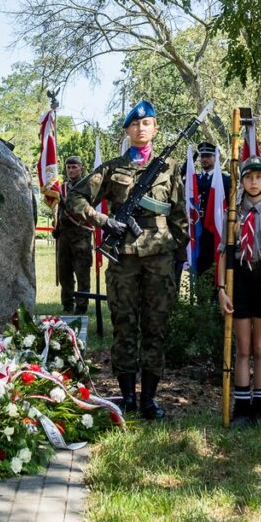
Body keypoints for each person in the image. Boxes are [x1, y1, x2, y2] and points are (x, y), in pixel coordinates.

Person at [67, 100, 187, 420]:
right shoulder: (111, 168)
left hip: (159, 259)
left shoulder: (169, 168)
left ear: (155, 128)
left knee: (155, 327)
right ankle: (127, 397)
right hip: (123, 259)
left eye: (146, 123)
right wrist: (103, 221)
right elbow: (74, 197)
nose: (141, 128)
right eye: (135, 124)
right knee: (124, 327)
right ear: (127, 130)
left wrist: (179, 255)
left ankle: (148, 399)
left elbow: (179, 216)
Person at [217, 157, 261, 427]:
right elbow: (223, 252)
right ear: (242, 181)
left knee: (260, 347)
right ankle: (242, 408)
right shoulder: (232, 213)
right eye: (249, 177)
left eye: (259, 177)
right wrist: (222, 289)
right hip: (239, 279)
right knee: (242, 348)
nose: (254, 182)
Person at [54, 156, 93, 315]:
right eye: (68, 167)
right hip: (64, 235)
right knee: (65, 272)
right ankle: (67, 304)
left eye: (74, 167)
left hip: (81, 234)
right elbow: (58, 211)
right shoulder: (62, 188)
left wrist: (67, 203)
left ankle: (81, 306)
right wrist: (56, 226)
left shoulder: (88, 187)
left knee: (82, 271)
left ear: (81, 168)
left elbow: (86, 210)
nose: (71, 170)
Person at [194, 141, 231, 281]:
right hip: (198, 228)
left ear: (216, 157)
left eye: (208, 156)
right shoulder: (194, 179)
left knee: (215, 264)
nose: (204, 159)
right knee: (199, 265)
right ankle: (200, 296)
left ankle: (216, 297)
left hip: (216, 229)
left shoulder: (225, 181)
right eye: (202, 156)